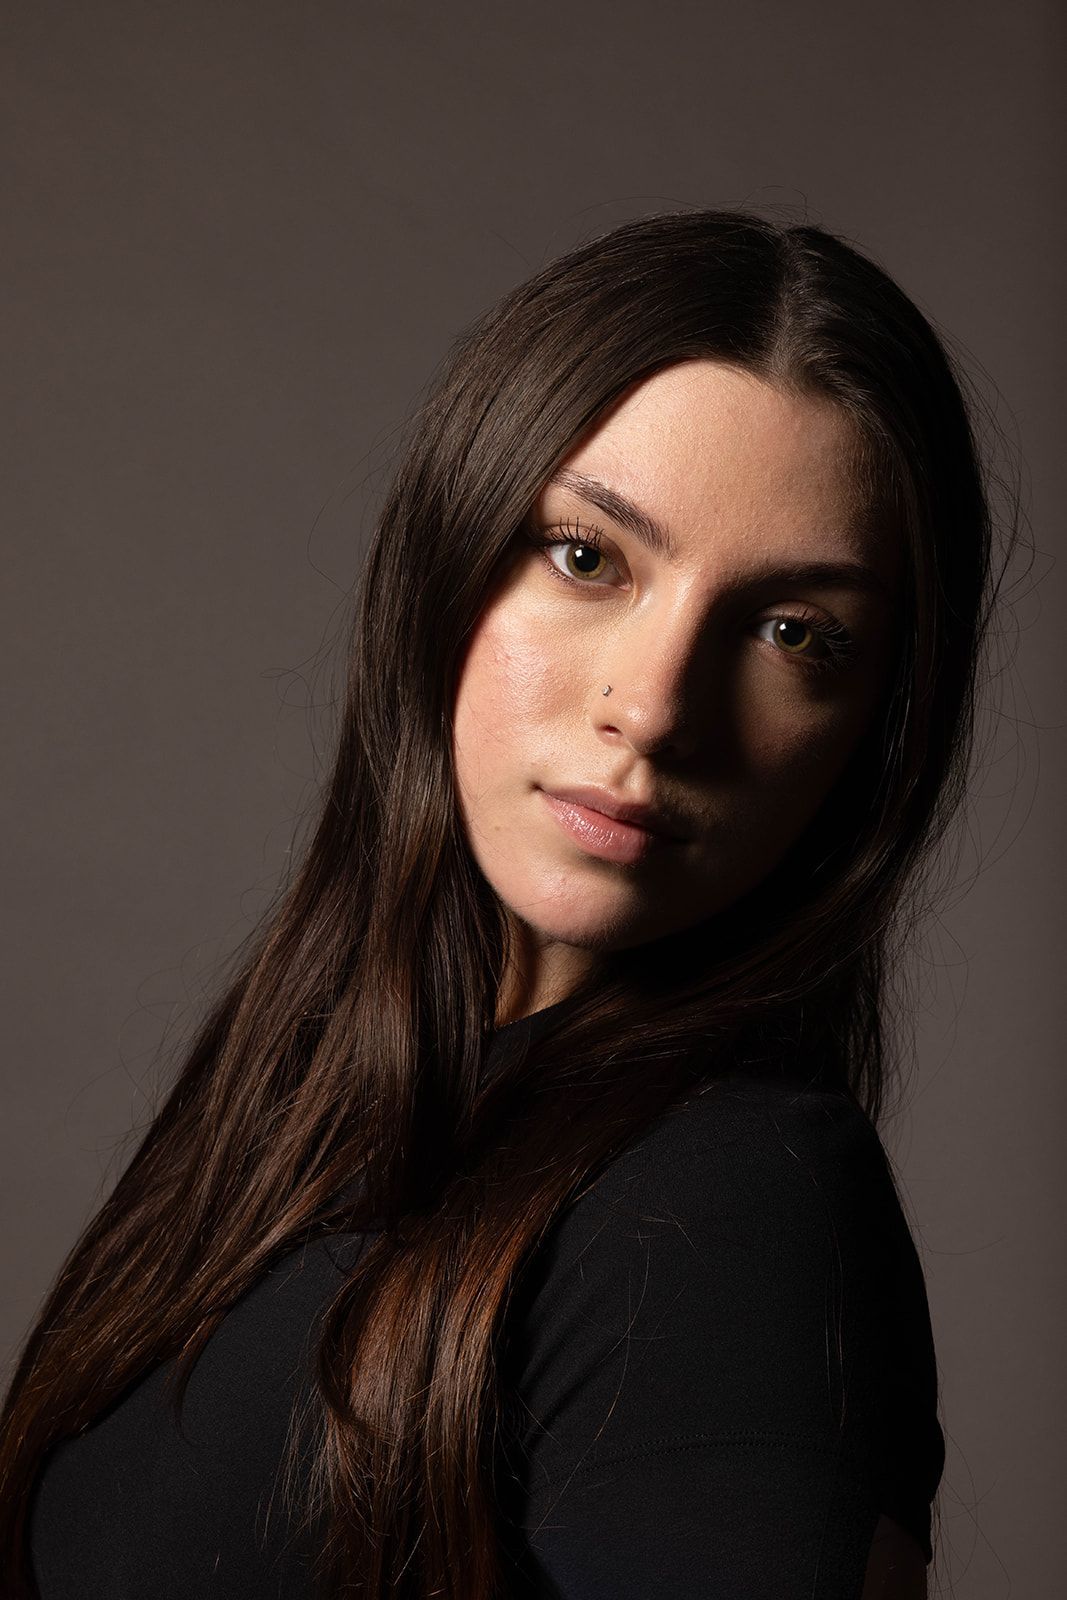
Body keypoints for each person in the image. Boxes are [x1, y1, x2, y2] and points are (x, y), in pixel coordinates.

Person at [1, 207, 1009, 1598]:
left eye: (796, 635)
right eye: (589, 557)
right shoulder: (296, 1088)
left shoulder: (734, 1215)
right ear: (448, 563)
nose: (650, 708)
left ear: (872, 736)